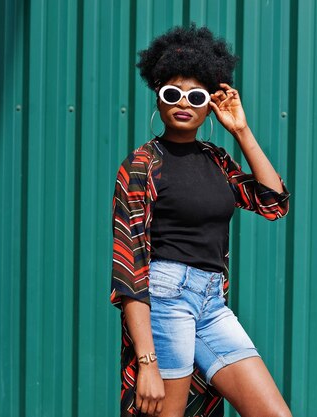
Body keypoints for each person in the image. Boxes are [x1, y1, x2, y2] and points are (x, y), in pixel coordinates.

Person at [110, 24, 292, 417]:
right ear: (158, 99)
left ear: (209, 103)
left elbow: (273, 202)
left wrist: (241, 131)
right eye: (172, 93)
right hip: (164, 299)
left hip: (212, 303)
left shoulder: (216, 160)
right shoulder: (141, 166)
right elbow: (130, 267)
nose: (183, 103)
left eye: (195, 96)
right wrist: (146, 363)